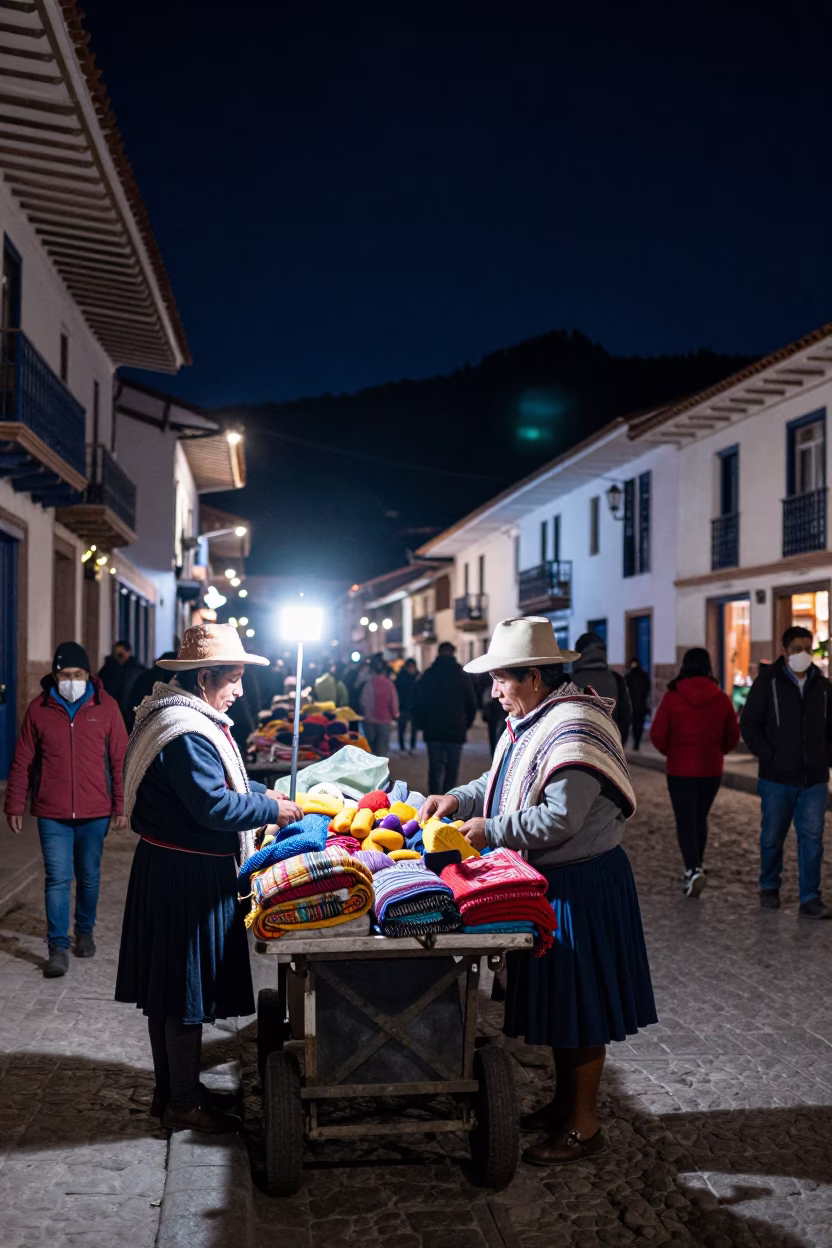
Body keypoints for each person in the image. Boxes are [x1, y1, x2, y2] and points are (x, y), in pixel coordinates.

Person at [419, 617, 656, 1165]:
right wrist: (456, 799)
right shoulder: (532, 722)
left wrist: (491, 830)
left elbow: (559, 819)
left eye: (502, 679)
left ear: (533, 676)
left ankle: (584, 1126)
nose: (494, 691)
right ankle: (562, 1105)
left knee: (582, 1004)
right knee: (563, 1005)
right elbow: (501, 782)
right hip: (552, 883)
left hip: (583, 887)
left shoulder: (573, 729)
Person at [115, 624, 302, 1133]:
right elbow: (212, 805)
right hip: (185, 877)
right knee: (183, 994)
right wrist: (270, 807)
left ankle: (173, 1090)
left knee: (169, 992)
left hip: (170, 867)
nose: (240, 690)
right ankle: (182, 1105)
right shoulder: (187, 732)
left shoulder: (180, 717)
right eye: (234, 678)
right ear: (204, 679)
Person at [4, 642, 128, 978]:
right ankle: (57, 945)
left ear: (88, 674)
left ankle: (84, 930)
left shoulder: (107, 708)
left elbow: (119, 761)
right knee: (57, 879)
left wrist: (121, 804)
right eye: (64, 675)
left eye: (77, 674)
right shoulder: (39, 709)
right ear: (54, 675)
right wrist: (14, 803)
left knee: (88, 878)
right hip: (51, 811)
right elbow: (22, 760)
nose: (70, 680)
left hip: (95, 810)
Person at [740, 626, 832, 919]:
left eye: (807, 648)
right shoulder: (768, 683)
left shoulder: (823, 687)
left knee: (812, 839)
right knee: (771, 836)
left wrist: (825, 758)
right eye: (796, 649)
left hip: (813, 780)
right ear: (785, 651)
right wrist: (770, 756)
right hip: (776, 778)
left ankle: (810, 898)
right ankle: (769, 887)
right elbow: (750, 725)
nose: (803, 655)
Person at [650, 648, 739, 896]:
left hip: (680, 769)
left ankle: (692, 869)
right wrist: (718, 751)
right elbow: (732, 735)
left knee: (685, 820)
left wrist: (674, 752)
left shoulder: (672, 697)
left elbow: (657, 734)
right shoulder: (721, 698)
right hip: (711, 769)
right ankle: (696, 865)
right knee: (700, 818)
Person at [414, 641, 477, 793]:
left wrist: (421, 724)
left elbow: (418, 701)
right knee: (452, 768)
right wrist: (465, 724)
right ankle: (448, 799)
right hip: (455, 730)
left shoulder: (429, 675)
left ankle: (434, 799)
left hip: (433, 730)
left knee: (435, 768)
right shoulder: (461, 675)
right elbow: (471, 703)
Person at [571, 632, 632, 742]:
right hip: (610, 750)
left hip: (577, 752)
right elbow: (625, 718)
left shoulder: (569, 682)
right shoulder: (616, 680)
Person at [99, 639, 146, 729]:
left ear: (128, 652)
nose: (119, 658)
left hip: (131, 717)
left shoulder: (137, 671)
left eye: (121, 654)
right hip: (111, 716)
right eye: (116, 654)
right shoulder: (107, 671)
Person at [359, 654, 399, 756]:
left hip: (370, 720)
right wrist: (395, 714)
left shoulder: (369, 683)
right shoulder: (389, 684)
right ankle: (381, 771)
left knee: (372, 749)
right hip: (385, 720)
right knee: (382, 750)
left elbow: (364, 702)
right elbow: (393, 701)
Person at [625, 658, 651, 750]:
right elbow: (648, 689)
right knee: (639, 723)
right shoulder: (644, 676)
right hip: (641, 704)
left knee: (635, 723)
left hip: (632, 705)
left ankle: (636, 741)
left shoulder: (629, 676)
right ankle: (637, 741)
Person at [395, 657, 420, 753]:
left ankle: (412, 746)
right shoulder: (401, 677)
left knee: (414, 728)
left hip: (414, 706)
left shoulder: (418, 676)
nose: (411, 669)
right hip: (403, 706)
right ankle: (402, 747)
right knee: (402, 727)